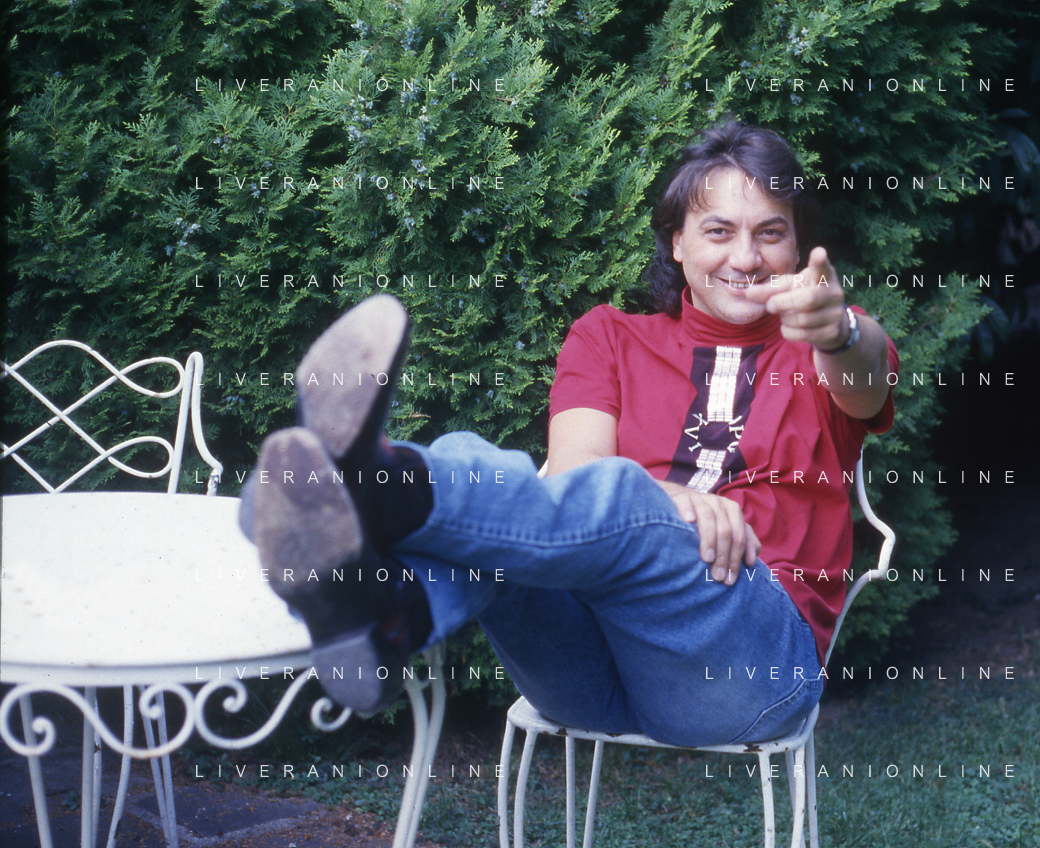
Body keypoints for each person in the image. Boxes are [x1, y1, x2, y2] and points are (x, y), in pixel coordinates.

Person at [244, 119, 898, 747]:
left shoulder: (825, 347)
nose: (747, 258)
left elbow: (864, 377)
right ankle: (388, 614)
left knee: (611, 499)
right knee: (489, 477)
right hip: (586, 672)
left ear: (797, 249)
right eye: (718, 231)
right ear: (677, 242)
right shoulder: (608, 338)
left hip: (751, 672)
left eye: (771, 233)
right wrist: (674, 502)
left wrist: (838, 330)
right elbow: (574, 474)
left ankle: (370, 484)